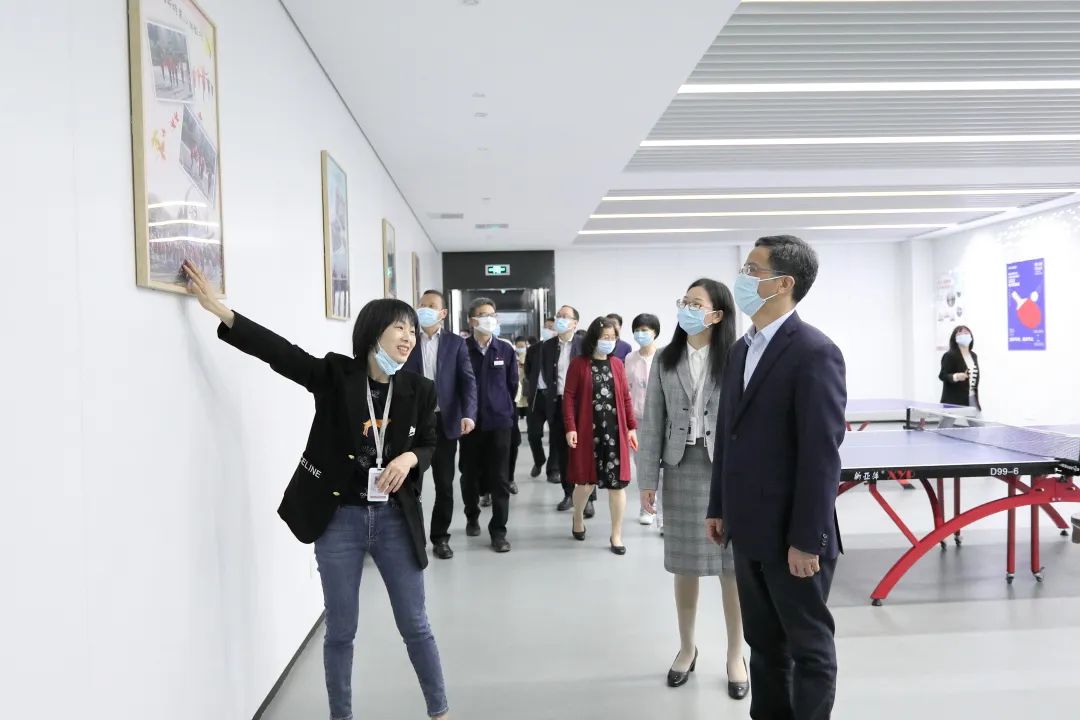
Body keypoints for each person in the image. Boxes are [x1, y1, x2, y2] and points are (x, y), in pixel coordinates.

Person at [181, 261, 450, 720]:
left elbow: (428, 442)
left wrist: (409, 459)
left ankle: (440, 711)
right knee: (341, 631)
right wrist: (221, 312)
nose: (408, 337)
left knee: (416, 624)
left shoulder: (419, 389)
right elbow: (281, 354)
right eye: (399, 327)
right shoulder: (336, 376)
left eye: (411, 330)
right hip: (339, 520)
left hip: (394, 520)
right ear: (373, 333)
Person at [706, 235, 847, 720]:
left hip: (794, 536)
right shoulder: (741, 350)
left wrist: (806, 540)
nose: (741, 278)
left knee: (808, 648)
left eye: (752, 270)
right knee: (764, 645)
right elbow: (728, 435)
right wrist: (718, 506)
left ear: (784, 283)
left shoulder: (814, 352)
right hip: (748, 529)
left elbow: (821, 456)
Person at [637, 278, 748, 697]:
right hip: (681, 467)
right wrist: (648, 480)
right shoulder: (666, 359)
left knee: (731, 568)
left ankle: (735, 655)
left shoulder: (737, 358)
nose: (687, 308)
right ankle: (687, 648)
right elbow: (652, 423)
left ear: (717, 315)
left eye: (696, 303)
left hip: (728, 471)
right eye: (684, 301)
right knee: (685, 566)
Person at [404, 290, 478, 561]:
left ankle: (440, 538)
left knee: (444, 485)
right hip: (414, 422)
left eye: (431, 306)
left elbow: (468, 381)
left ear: (443, 313)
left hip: (444, 422)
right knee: (411, 485)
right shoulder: (407, 339)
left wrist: (468, 414)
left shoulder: (455, 344)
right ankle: (412, 539)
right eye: (422, 305)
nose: (425, 309)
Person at [563, 317, 639, 554]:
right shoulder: (578, 364)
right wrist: (571, 427)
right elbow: (569, 397)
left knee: (617, 485)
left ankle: (616, 535)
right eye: (605, 337)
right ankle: (577, 516)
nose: (609, 341)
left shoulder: (617, 364)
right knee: (585, 484)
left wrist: (631, 427)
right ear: (593, 338)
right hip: (588, 431)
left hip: (614, 432)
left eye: (613, 337)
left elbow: (625, 397)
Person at [460, 297, 519, 553]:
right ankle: (472, 515)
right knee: (469, 475)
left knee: (500, 479)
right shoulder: (461, 349)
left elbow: (512, 385)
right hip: (470, 423)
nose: (490, 319)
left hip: (499, 422)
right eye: (484, 314)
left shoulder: (505, 350)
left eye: (493, 314)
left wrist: (500, 406)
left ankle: (499, 531)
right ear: (472, 320)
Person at [539, 305, 595, 516]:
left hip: (582, 405)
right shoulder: (547, 346)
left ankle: (588, 498)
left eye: (565, 317)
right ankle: (569, 493)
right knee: (562, 453)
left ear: (575, 323)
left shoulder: (585, 344)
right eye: (558, 316)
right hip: (557, 404)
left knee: (585, 452)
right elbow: (546, 374)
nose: (560, 319)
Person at [625, 313, 661, 527]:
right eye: (637, 330)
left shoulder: (663, 356)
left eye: (644, 330)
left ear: (654, 332)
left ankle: (662, 513)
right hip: (637, 419)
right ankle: (646, 507)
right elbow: (626, 390)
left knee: (663, 467)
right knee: (642, 465)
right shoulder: (630, 358)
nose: (640, 334)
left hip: (661, 419)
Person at [506, 335, 531, 493]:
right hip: (487, 410)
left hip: (510, 406)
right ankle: (486, 490)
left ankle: (509, 479)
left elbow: (515, 383)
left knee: (512, 444)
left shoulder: (506, 351)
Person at [523, 331, 549, 479]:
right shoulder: (534, 349)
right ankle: (539, 460)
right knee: (533, 434)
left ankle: (554, 469)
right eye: (547, 327)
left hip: (555, 397)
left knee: (556, 435)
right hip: (536, 397)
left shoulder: (562, 349)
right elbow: (527, 371)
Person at [939, 325, 981, 410]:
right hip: (953, 401)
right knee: (949, 420)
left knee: (976, 419)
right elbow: (942, 375)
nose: (964, 334)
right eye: (960, 333)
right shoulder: (949, 355)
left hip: (972, 399)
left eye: (966, 333)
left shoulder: (973, 355)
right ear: (955, 338)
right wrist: (956, 376)